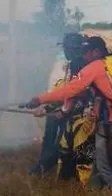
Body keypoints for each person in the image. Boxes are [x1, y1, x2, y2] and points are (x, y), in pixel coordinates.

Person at [26, 36, 112, 196]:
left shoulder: (91, 67)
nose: (84, 55)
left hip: (101, 121)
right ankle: (92, 194)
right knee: (100, 161)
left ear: (96, 51)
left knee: (95, 160)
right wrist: (53, 107)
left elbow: (71, 91)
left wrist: (41, 101)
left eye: (87, 52)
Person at [30, 33, 81, 176]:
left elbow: (72, 92)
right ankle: (43, 166)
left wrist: (60, 108)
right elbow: (55, 88)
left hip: (69, 110)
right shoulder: (61, 64)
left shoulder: (79, 66)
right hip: (56, 107)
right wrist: (44, 104)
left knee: (63, 143)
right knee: (51, 138)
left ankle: (55, 169)